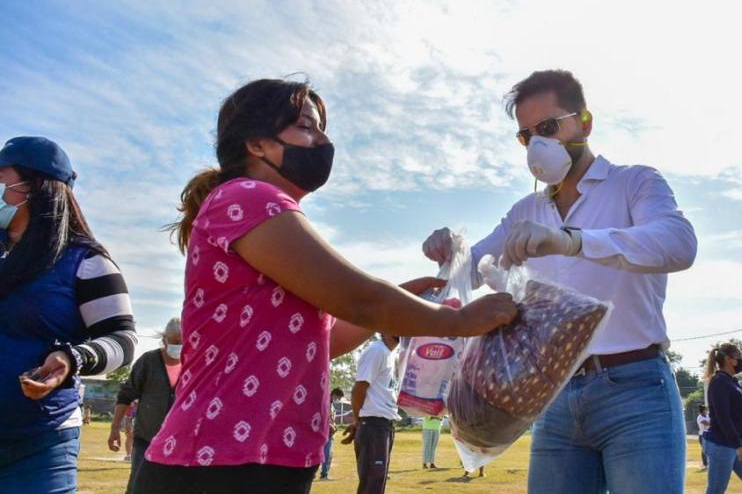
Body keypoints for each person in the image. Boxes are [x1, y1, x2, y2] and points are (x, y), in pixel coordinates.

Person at [132, 78, 516, 494]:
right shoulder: (249, 197)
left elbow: (325, 340)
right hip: (219, 461)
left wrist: (405, 296)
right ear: (258, 144)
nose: (321, 141)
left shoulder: (262, 209)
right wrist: (459, 320)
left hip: (264, 459)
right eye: (305, 126)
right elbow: (361, 300)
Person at [422, 69, 697, 494]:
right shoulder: (524, 211)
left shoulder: (634, 182)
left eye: (548, 128)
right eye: (526, 136)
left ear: (584, 123)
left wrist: (571, 241)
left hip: (637, 388)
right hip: (551, 397)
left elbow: (678, 244)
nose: (537, 144)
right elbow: (473, 265)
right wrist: (449, 249)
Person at [0, 136, 137, 493]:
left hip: (40, 443)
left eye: (1, 178)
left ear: (36, 187)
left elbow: (122, 340)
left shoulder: (86, 261)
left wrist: (72, 358)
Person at [109, 318, 182, 494]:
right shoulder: (149, 361)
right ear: (164, 339)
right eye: (174, 342)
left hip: (179, 442)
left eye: (182, 342)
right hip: (146, 438)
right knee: (139, 486)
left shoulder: (193, 363)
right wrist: (115, 428)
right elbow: (126, 394)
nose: (178, 346)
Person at [702, 343, 742, 494]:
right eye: (739, 357)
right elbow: (723, 417)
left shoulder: (732, 381)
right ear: (729, 359)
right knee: (716, 491)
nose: (741, 361)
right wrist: (739, 446)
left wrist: (740, 443)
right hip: (721, 444)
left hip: (735, 443)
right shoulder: (719, 382)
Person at [343, 335, 401, 494]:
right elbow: (359, 388)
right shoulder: (377, 351)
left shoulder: (390, 354)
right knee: (372, 485)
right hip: (374, 424)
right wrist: (358, 420)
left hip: (384, 425)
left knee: (377, 482)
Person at [319, 387, 344, 481]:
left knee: (328, 453)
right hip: (325, 432)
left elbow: (331, 417)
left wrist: (334, 425)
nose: (339, 400)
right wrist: (330, 424)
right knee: (327, 453)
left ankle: (324, 473)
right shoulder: (325, 402)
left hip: (330, 432)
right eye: (338, 397)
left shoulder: (331, 403)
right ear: (334, 394)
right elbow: (324, 415)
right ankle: (324, 474)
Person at [697, 404, 711, 469]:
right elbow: (707, 424)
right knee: (704, 450)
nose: (707, 411)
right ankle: (705, 464)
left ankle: (709, 462)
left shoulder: (707, 416)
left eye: (707, 410)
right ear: (702, 411)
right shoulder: (700, 418)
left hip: (709, 434)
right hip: (702, 435)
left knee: (711, 449)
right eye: (705, 410)